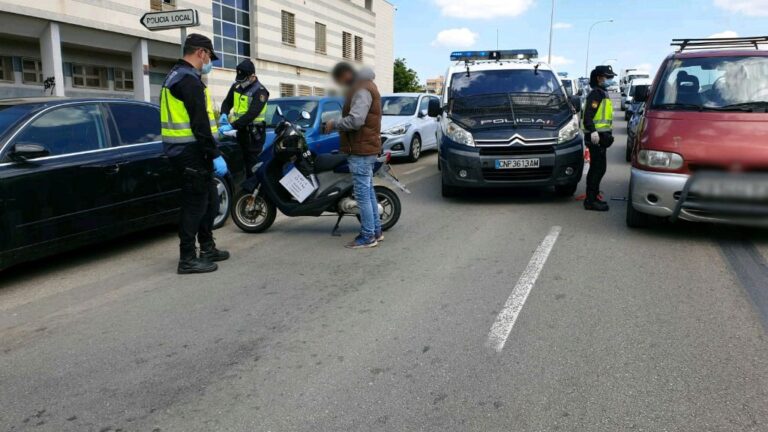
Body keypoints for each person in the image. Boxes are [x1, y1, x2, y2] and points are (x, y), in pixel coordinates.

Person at [160, 33, 230, 274]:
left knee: (209, 200)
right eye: (209, 56)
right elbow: (199, 124)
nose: (208, 62)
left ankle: (207, 247)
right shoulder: (188, 80)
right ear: (201, 52)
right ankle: (187, 258)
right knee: (195, 206)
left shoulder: (176, 75)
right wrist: (214, 154)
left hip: (187, 151)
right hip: (190, 152)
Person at [324, 62, 383, 249]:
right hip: (365, 147)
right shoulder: (368, 86)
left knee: (363, 195)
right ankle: (376, 231)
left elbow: (356, 120)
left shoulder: (362, 89)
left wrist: (335, 123)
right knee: (368, 191)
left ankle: (367, 236)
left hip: (361, 149)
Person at [219, 59, 270, 177]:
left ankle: (254, 193)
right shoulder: (236, 86)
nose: (241, 82)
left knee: (252, 167)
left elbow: (251, 114)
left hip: (253, 136)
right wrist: (224, 113)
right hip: (239, 133)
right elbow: (227, 102)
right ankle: (243, 191)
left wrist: (231, 126)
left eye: (244, 79)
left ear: (252, 76)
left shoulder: (261, 92)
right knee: (239, 166)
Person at [581, 65, 616, 212]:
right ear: (599, 78)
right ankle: (591, 200)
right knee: (597, 169)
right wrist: (593, 131)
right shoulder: (596, 94)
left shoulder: (602, 92)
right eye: (607, 77)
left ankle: (593, 196)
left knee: (599, 168)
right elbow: (588, 114)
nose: (610, 80)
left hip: (601, 136)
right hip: (596, 137)